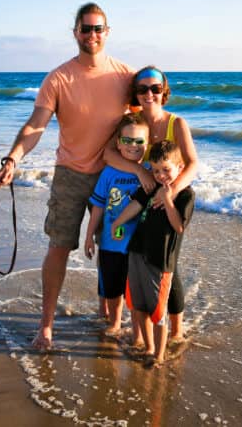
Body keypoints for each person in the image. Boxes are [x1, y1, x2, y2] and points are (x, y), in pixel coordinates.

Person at [0, 2, 134, 351]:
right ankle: (45, 327)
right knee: (58, 247)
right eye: (85, 29)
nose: (92, 35)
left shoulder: (125, 76)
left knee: (112, 249)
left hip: (114, 176)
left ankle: (111, 317)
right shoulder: (58, 78)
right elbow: (35, 125)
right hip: (70, 175)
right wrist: (13, 158)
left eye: (98, 28)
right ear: (75, 33)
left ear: (108, 32)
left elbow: (144, 125)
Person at [102, 65, 198, 343]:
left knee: (169, 263)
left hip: (171, 199)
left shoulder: (176, 124)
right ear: (136, 92)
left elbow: (193, 164)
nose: (149, 94)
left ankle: (177, 332)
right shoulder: (132, 119)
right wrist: (140, 172)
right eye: (142, 89)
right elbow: (109, 153)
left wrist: (169, 191)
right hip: (141, 197)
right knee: (141, 261)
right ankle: (138, 327)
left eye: (155, 88)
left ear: (164, 92)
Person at [110, 140, 194, 368]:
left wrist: (167, 200)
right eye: (156, 170)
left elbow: (178, 226)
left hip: (160, 261)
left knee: (157, 312)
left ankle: (159, 354)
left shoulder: (185, 195)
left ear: (179, 166)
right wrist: (117, 222)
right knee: (139, 307)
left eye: (166, 169)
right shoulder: (150, 187)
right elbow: (136, 205)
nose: (161, 175)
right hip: (137, 253)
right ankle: (148, 347)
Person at [83, 112, 149, 337]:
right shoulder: (108, 173)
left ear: (147, 144)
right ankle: (115, 323)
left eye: (139, 141)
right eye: (127, 140)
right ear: (118, 143)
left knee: (136, 290)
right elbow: (98, 206)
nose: (133, 145)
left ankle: (139, 332)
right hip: (111, 244)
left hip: (139, 246)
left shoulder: (150, 171)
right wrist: (89, 236)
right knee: (112, 287)